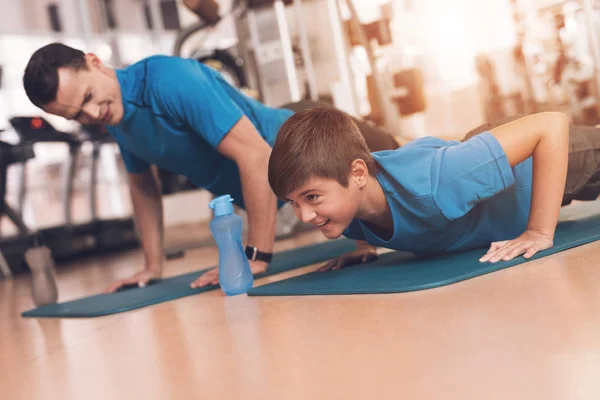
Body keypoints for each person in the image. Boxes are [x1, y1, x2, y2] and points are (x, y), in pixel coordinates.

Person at [22, 43, 400, 292]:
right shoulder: (118, 122)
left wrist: (258, 256)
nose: (92, 114)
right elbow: (142, 187)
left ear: (95, 62)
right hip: (284, 173)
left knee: (411, 168)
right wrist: (152, 267)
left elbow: (257, 156)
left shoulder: (169, 81)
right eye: (77, 115)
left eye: (88, 97)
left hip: (308, 137)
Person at [266, 107, 600, 269]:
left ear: (356, 175)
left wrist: (540, 231)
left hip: (540, 161)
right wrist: (362, 247)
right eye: (292, 203)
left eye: (311, 198)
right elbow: (359, 202)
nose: (305, 215)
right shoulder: (346, 205)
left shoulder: (436, 182)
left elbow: (550, 125)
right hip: (491, 185)